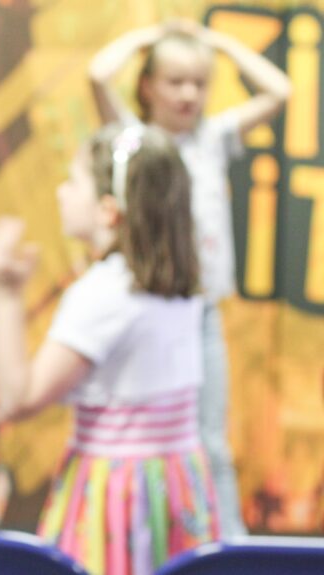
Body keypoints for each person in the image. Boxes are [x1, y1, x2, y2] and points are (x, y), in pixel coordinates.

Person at [0, 124, 216, 575]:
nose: (62, 192)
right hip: (176, 483)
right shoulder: (178, 283)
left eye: (74, 181)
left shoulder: (104, 295)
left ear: (109, 210)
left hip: (119, 494)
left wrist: (5, 292)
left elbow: (18, 398)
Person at [89, 20, 292, 538]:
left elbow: (280, 91)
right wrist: (145, 38)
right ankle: (156, 537)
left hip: (199, 311)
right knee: (148, 438)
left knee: (212, 439)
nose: (189, 94)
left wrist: (219, 45)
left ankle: (226, 548)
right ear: (149, 85)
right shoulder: (134, 139)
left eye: (199, 84)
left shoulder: (212, 138)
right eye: (175, 81)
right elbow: (98, 74)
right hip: (148, 313)